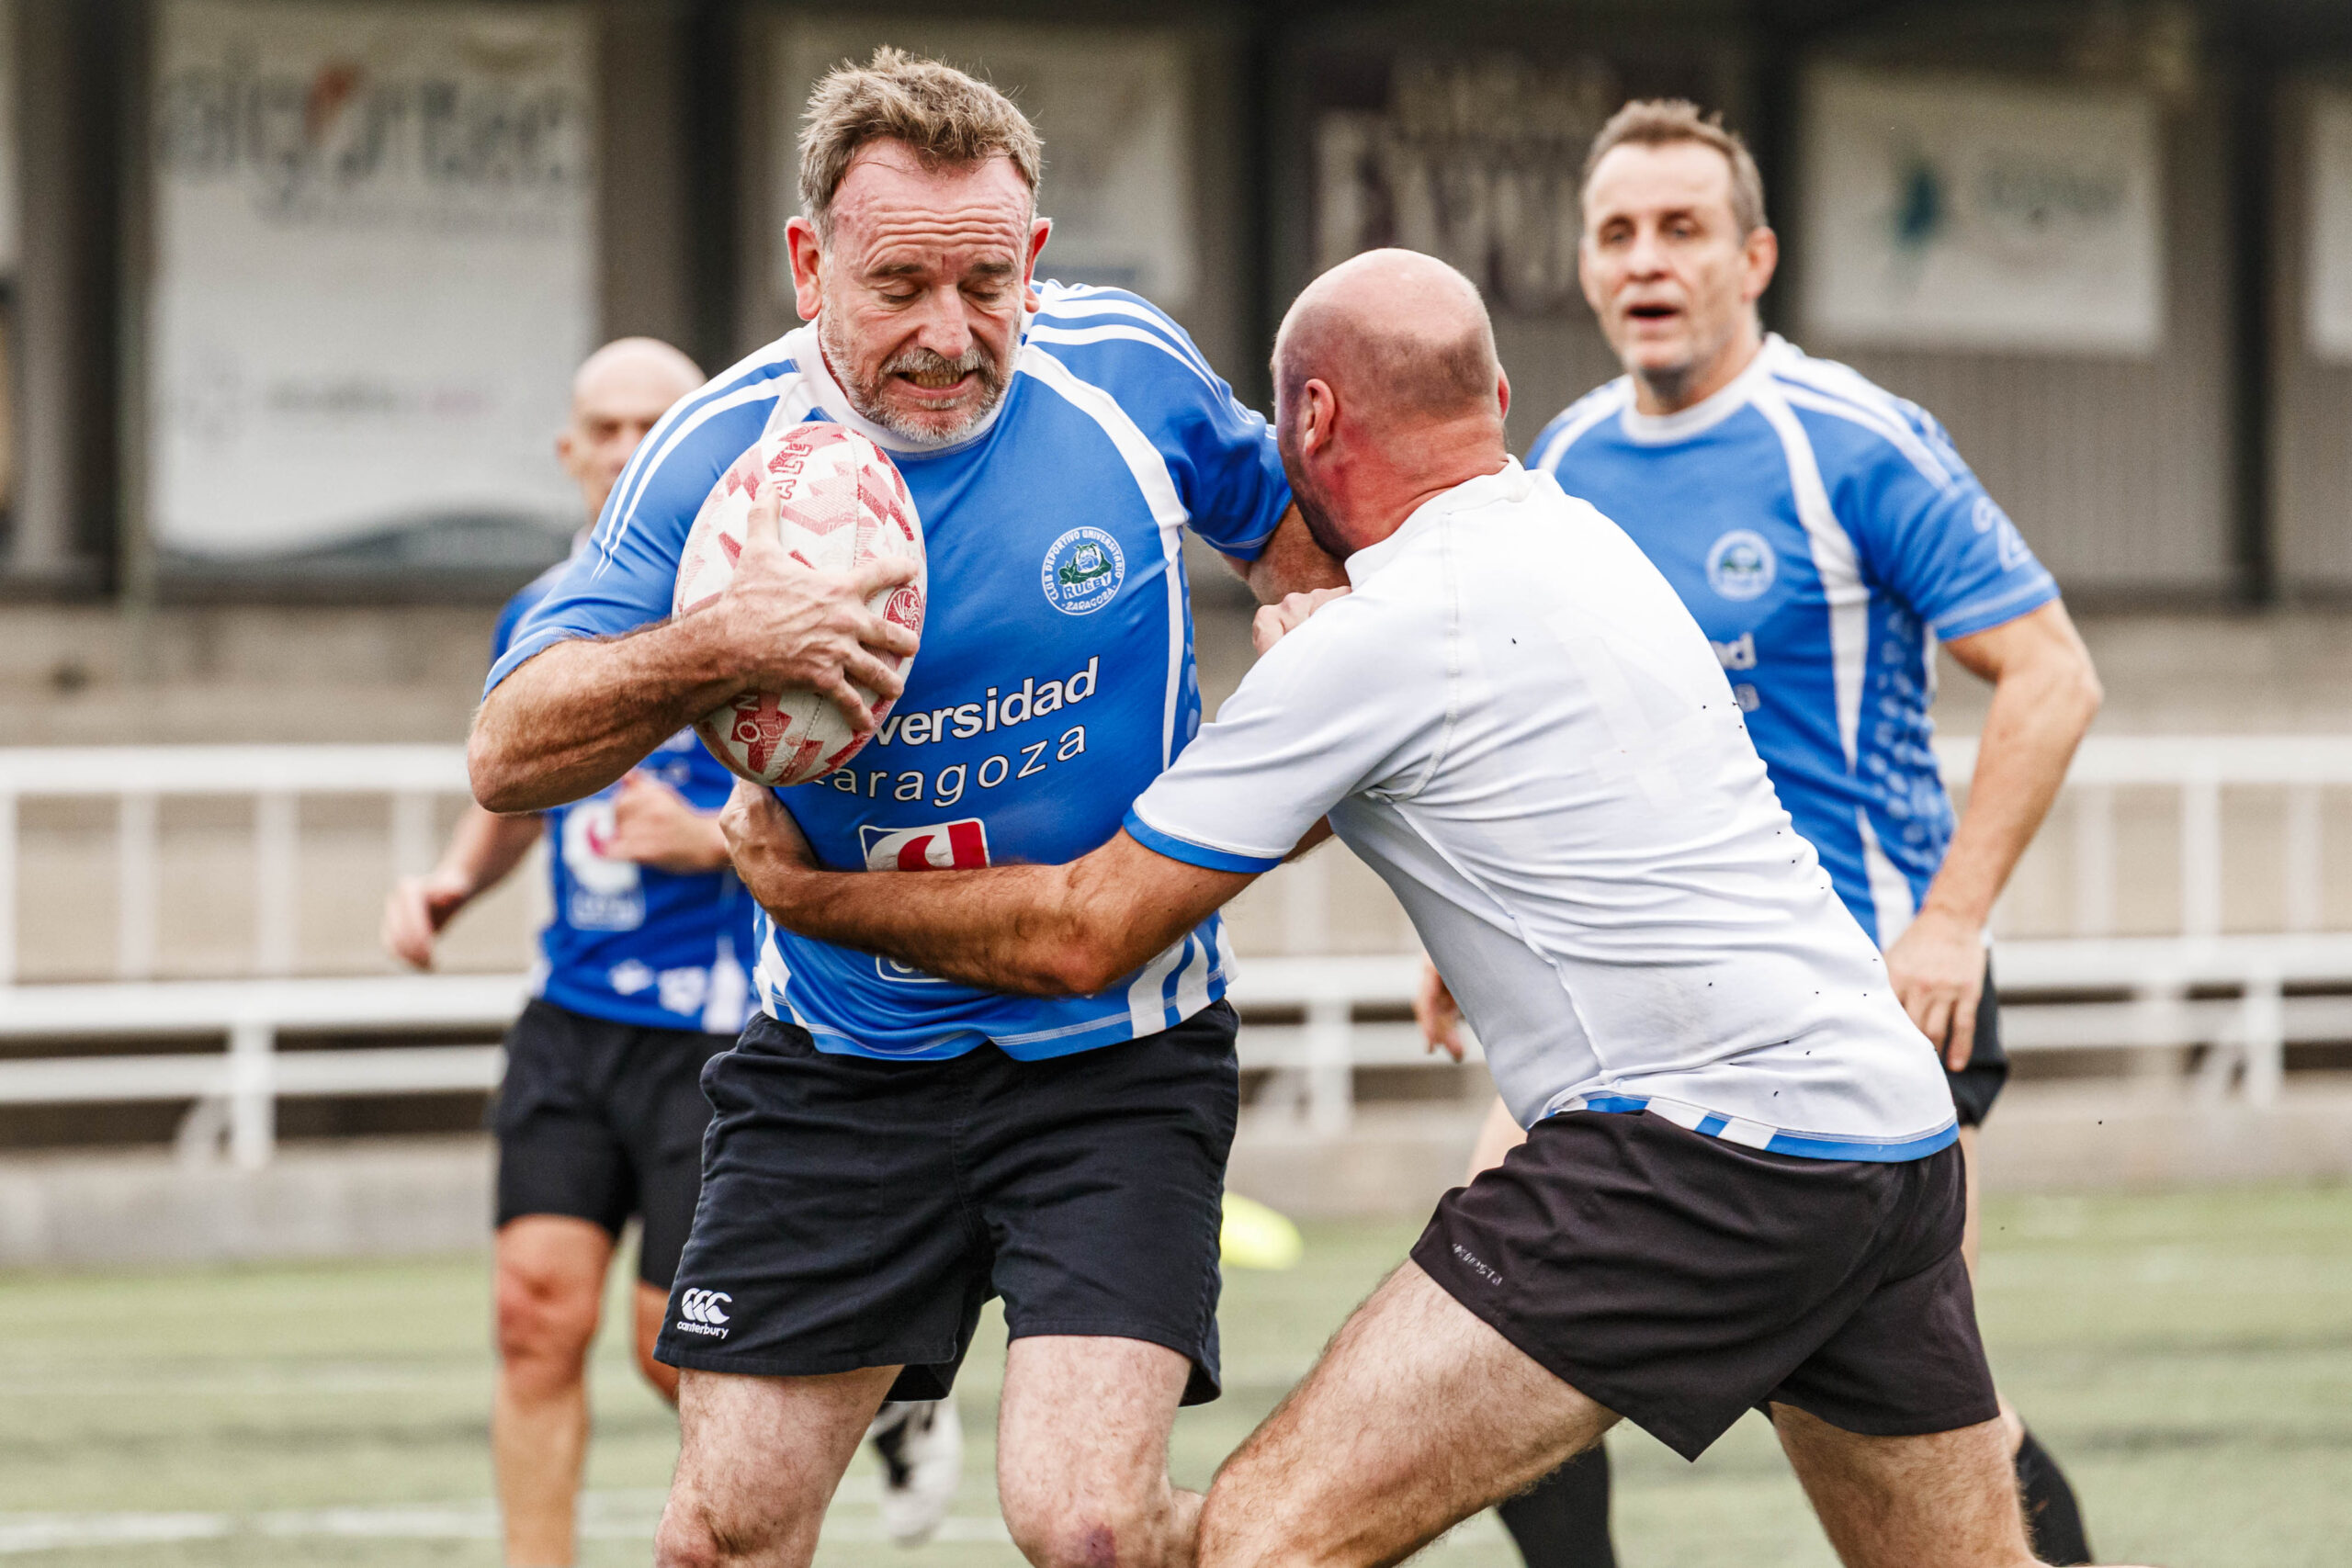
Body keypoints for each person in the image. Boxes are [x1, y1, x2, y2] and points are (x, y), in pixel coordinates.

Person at [718, 247, 2143, 1568]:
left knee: (1254, 1549)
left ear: (1313, 418)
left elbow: (1093, 925)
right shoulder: (1577, 534)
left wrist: (811, 891)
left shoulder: (1379, 643)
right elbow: (1513, 777)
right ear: (1499, 399)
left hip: (1692, 1160)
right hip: (1885, 1131)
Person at [464, 50, 1339, 1568]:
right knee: (719, 1533)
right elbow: (507, 752)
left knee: (1085, 1530)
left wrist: (1311, 647)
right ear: (810, 267)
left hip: (1116, 1057)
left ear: (1037, 264)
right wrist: (723, 643)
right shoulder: (713, 454)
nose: (950, 335)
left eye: (987, 284)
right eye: (900, 286)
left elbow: (1306, 561)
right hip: (843, 1060)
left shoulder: (1126, 376)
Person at [1427, 99, 2106, 1568]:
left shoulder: (1852, 445)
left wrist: (1953, 920)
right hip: (1638, 997)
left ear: (1755, 257)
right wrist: (1474, 931)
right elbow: (1535, 710)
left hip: (1867, 997)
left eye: (1682, 229)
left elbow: (2053, 673)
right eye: (1617, 233)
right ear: (1587, 268)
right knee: (1480, 1331)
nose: (1647, 259)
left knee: (1934, 1428)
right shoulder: (1566, 459)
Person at [385, 337, 958, 1565]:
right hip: (573, 1012)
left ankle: (893, 1408)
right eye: (608, 428)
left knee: (668, 1340)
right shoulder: (545, 612)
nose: (632, 450)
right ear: (571, 451)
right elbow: (516, 791)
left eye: (661, 425)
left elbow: (864, 800)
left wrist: (710, 839)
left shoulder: (792, 599)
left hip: (716, 1027)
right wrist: (451, 884)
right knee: (533, 1315)